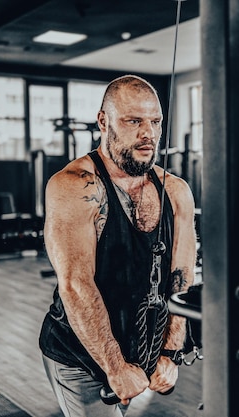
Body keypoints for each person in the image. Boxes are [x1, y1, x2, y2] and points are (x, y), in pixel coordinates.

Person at [38, 74, 197, 417]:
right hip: (81, 353)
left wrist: (169, 352)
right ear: (103, 121)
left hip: (141, 355)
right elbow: (76, 284)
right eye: (134, 121)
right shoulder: (74, 187)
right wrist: (114, 366)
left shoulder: (176, 191)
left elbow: (181, 278)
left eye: (155, 121)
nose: (149, 133)